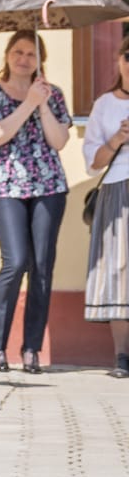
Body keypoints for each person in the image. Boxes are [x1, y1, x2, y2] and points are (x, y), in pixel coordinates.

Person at [0, 30, 70, 374]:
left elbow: (59, 142)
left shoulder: (53, 94)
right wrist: (28, 102)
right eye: (18, 52)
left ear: (40, 60)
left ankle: (31, 349)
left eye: (32, 54)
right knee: (15, 262)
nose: (24, 59)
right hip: (5, 188)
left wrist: (42, 102)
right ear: (7, 55)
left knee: (42, 267)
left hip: (48, 187)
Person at [83, 35, 129, 379]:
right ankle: (122, 356)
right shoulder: (104, 105)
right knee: (119, 269)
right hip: (117, 191)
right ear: (119, 60)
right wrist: (117, 139)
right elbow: (93, 164)